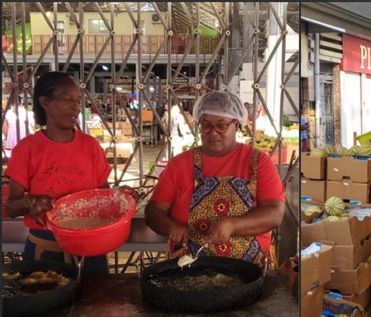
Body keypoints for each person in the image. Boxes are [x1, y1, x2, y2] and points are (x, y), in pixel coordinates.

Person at [4, 72, 138, 276]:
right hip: (45, 251)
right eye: (68, 100)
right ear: (45, 102)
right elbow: (11, 207)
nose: (76, 106)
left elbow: (102, 197)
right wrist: (29, 202)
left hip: (91, 250)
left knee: (95, 305)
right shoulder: (27, 149)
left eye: (78, 100)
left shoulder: (90, 146)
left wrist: (120, 196)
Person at [145, 91, 286, 267]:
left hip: (249, 268)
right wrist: (171, 227)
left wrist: (233, 225)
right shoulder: (180, 164)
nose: (213, 133)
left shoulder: (258, 162)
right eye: (206, 125)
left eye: (221, 126)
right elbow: (153, 211)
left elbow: (275, 214)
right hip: (189, 266)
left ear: (237, 124)